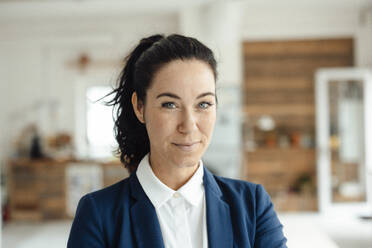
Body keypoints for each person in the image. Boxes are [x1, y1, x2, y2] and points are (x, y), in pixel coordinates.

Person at [67, 34, 287, 248]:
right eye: (169, 104)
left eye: (203, 104)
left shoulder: (253, 205)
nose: (189, 125)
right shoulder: (98, 213)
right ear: (139, 107)